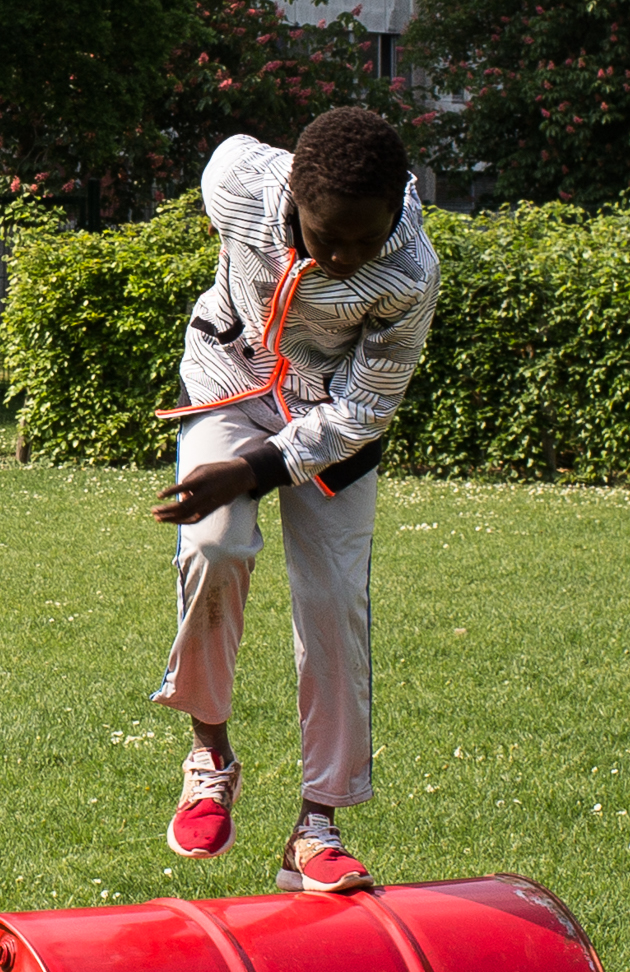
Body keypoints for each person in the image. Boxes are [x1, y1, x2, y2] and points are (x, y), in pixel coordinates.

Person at [147, 105, 436, 896]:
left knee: (335, 598)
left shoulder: (408, 270)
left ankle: (317, 826)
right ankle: (210, 754)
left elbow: (363, 413)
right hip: (229, 386)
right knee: (211, 545)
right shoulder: (234, 184)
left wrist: (252, 472)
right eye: (324, 235)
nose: (342, 256)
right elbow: (234, 165)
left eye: (362, 239)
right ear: (294, 202)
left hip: (331, 423)